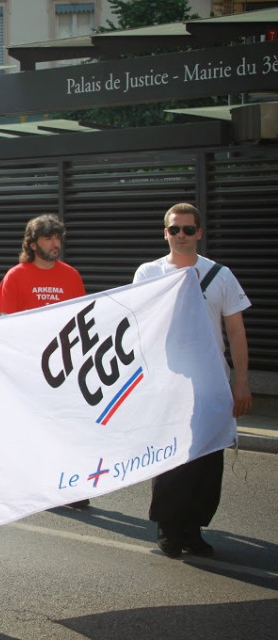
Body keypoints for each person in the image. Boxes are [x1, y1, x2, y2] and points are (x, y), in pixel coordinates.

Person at [133, 202, 252, 558]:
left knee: (207, 459)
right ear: (165, 233)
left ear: (199, 233)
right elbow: (138, 328)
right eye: (174, 229)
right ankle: (169, 529)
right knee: (173, 459)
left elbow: (236, 331)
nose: (180, 236)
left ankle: (193, 529)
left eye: (187, 229)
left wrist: (242, 382)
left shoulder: (221, 275)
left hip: (212, 384)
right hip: (168, 384)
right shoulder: (148, 273)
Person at [0, 213, 89, 510]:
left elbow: (79, 320)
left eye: (58, 237)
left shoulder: (70, 275)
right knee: (36, 430)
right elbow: (6, 326)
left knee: (68, 428)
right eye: (48, 238)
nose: (55, 243)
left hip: (65, 366)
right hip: (30, 368)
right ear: (33, 244)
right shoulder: (16, 276)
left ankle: (71, 485)